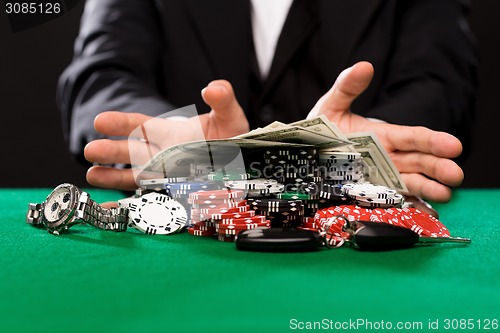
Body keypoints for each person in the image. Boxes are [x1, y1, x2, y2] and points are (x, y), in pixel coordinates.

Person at [57, 0, 478, 203]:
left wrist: (353, 155)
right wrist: (174, 139)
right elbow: (101, 76)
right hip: (187, 253)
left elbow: (440, 82)